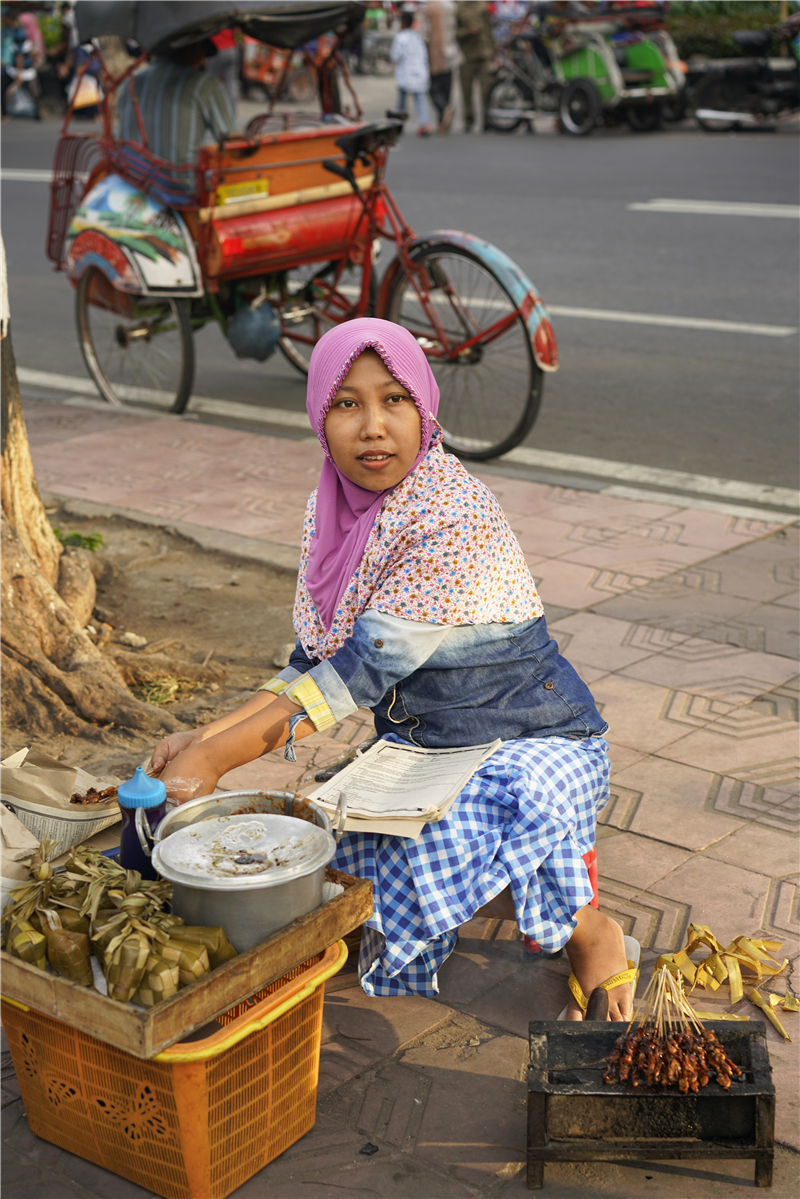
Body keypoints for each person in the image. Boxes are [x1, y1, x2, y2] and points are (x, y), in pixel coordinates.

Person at [149, 318, 639, 1021]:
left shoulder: (449, 515)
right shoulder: (331, 510)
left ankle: (589, 926)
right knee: (330, 857)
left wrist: (213, 761)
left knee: (456, 840)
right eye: (347, 403)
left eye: (395, 400)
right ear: (319, 417)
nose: (373, 426)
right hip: (425, 749)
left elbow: (357, 672)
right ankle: (548, 881)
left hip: (533, 739)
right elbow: (312, 662)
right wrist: (202, 738)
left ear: (425, 407)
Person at [117, 38, 235, 165]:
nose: (203, 60)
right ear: (194, 50)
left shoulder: (128, 83)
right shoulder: (206, 85)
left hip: (129, 173)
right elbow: (233, 145)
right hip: (181, 177)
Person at [390, 9, 432, 136]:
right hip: (419, 73)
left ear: (402, 23)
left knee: (401, 102)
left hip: (406, 73)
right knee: (420, 100)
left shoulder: (400, 38)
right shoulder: (417, 37)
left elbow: (394, 56)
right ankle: (424, 124)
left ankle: (398, 124)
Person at [455, 0, 494, 132]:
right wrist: (466, 32)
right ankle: (469, 120)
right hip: (467, 55)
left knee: (486, 89)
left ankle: (487, 120)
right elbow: (453, 31)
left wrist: (493, 48)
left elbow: (489, 28)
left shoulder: (483, 5)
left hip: (484, 53)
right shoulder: (458, 8)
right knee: (466, 90)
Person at [423, 0, 459, 133]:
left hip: (435, 54)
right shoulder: (451, 6)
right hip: (450, 52)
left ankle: (444, 111)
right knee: (446, 88)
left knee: (433, 89)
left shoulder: (429, 8)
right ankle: (443, 122)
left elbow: (425, 34)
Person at [206, 27, 239, 112]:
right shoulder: (229, 19)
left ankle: (210, 110)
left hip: (216, 48)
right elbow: (237, 32)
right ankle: (231, 111)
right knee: (231, 82)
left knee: (210, 81)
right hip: (231, 49)